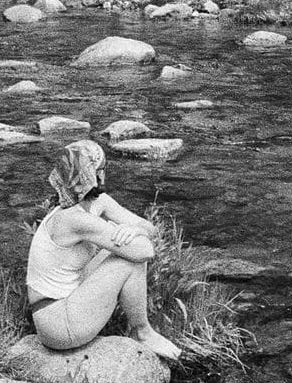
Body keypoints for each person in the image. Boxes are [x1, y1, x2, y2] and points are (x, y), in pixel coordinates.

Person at [26, 139, 182, 361]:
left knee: (123, 251)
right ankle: (143, 333)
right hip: (58, 324)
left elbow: (150, 230)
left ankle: (140, 332)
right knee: (129, 259)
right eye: (101, 170)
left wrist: (133, 229)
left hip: (65, 307)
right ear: (95, 176)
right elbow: (145, 251)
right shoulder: (71, 219)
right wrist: (134, 235)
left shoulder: (98, 203)